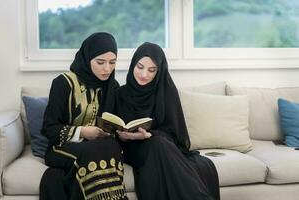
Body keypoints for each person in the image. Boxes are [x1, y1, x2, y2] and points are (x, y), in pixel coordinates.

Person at [115, 42, 220, 200]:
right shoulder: (120, 93)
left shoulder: (166, 91)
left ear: (159, 71)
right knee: (158, 145)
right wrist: (122, 136)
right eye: (140, 67)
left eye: (152, 70)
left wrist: (149, 135)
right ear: (133, 65)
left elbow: (175, 134)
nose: (144, 74)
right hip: (132, 150)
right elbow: (112, 129)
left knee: (158, 143)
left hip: (159, 147)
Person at [40, 32, 128, 200]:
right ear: (87, 59)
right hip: (61, 147)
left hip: (98, 146)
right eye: (100, 62)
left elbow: (114, 122)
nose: (107, 69)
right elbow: (48, 128)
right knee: (94, 150)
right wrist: (82, 132)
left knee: (111, 146)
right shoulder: (63, 83)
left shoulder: (112, 86)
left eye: (112, 62)